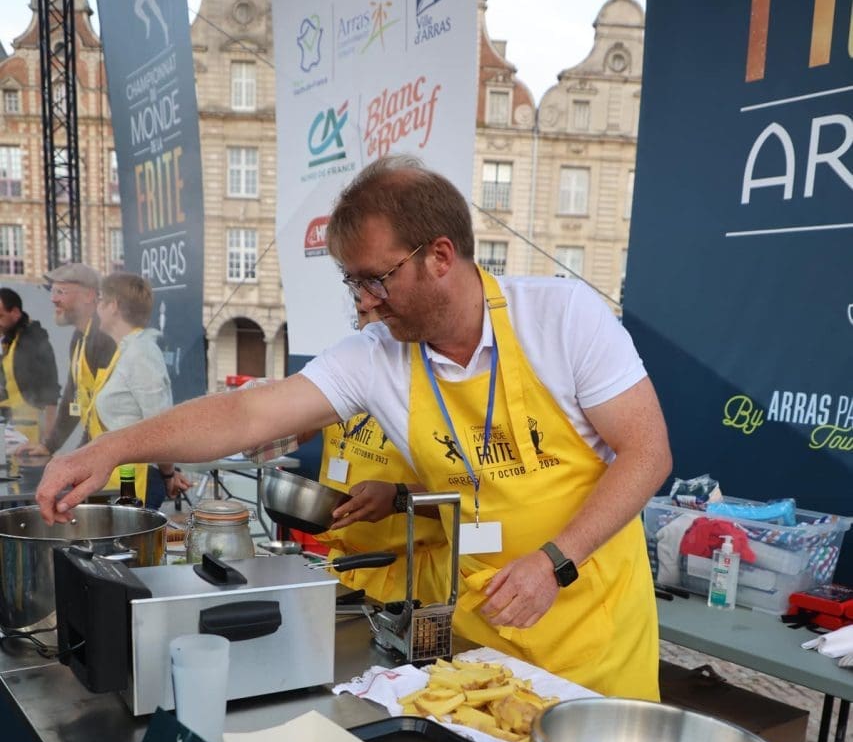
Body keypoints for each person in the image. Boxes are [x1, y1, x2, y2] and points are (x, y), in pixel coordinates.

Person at [35, 157, 671, 699]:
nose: (364, 300)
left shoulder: (563, 319)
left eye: (376, 278)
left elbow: (647, 453)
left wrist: (554, 561)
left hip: (596, 650)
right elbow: (248, 413)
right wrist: (112, 448)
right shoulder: (377, 356)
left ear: (441, 256)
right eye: (352, 281)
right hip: (485, 651)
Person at [310, 299, 450, 605]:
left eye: (383, 313)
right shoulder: (344, 375)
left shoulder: (440, 387)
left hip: (412, 581)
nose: (371, 325)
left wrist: (399, 497)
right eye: (362, 313)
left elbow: (475, 501)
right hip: (342, 571)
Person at [92, 272, 190, 505]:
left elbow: (161, 423)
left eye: (100, 300)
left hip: (135, 483)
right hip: (116, 478)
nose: (96, 308)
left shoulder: (141, 353)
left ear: (113, 306)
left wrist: (168, 474)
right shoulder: (125, 350)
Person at [17, 263, 116, 459]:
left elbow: (111, 413)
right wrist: (49, 446)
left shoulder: (104, 339)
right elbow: (73, 399)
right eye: (52, 291)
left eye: (61, 291)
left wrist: (78, 457)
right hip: (103, 456)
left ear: (89, 296)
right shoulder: (80, 338)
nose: (53, 299)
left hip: (120, 464)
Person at [0, 287, 60, 444]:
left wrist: (47, 442)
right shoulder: (8, 341)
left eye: (0, 316)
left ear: (15, 313)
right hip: (8, 430)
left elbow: (51, 390)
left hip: (30, 433)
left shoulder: (34, 340)